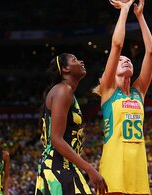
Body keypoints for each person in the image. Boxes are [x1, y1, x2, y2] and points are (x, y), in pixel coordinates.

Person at [93, 0, 152, 194]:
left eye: (129, 59)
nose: (126, 60)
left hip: (138, 164)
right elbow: (117, 45)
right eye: (121, 61)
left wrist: (140, 16)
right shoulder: (108, 91)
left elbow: (151, 51)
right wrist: (125, 10)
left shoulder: (139, 92)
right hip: (114, 164)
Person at [34, 53, 107, 195]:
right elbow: (56, 138)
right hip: (59, 168)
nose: (81, 61)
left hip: (61, 167)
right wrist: (90, 169)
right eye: (74, 59)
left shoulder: (66, 92)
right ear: (65, 69)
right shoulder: (63, 90)